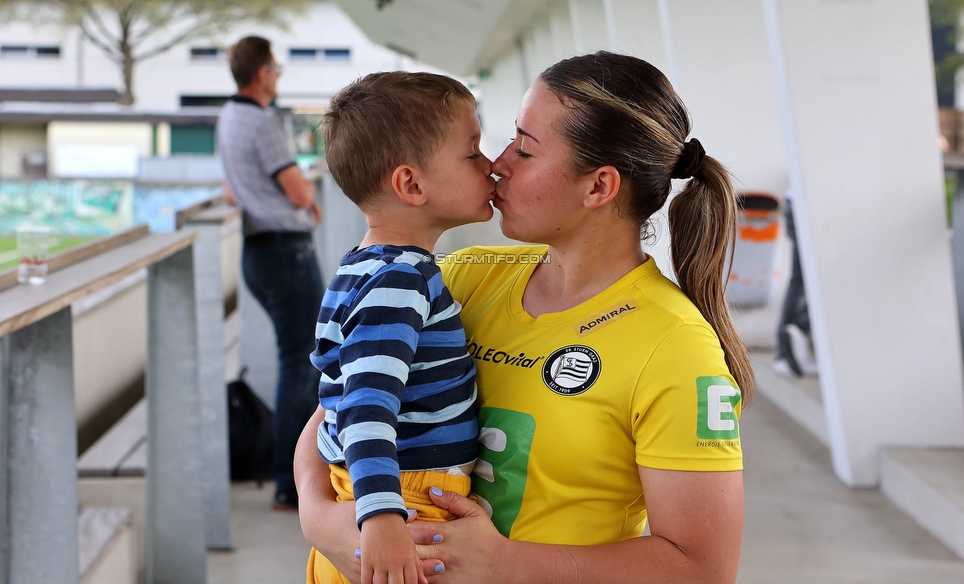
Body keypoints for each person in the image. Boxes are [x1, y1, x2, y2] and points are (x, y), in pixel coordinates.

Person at [297, 52, 755, 584]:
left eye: (526, 149)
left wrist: (507, 564)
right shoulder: (462, 279)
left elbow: (704, 569)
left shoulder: (674, 344)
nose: (498, 163)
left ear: (599, 187)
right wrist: (318, 516)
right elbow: (340, 407)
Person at [308, 71, 496, 584]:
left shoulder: (360, 268)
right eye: (473, 152)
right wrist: (382, 518)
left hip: (377, 494)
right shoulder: (402, 280)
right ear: (411, 184)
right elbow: (367, 407)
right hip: (406, 505)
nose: (492, 166)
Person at [217, 35, 324, 510]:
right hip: (286, 252)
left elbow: (230, 189)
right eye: (277, 71)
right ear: (262, 73)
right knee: (302, 365)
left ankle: (290, 475)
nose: (277, 78)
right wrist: (309, 202)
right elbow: (299, 193)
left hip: (257, 252)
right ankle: (290, 482)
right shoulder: (261, 122)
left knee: (294, 361)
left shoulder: (227, 117)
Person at [773, 191, 818, 376]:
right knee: (815, 281)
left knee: (800, 279)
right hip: (809, 204)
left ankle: (785, 353)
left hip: (796, 201)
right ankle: (796, 333)